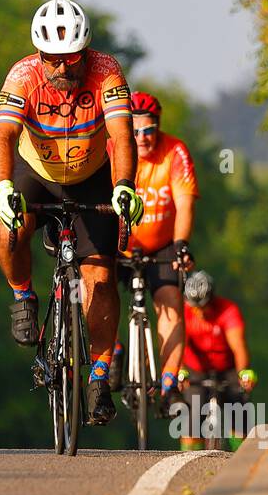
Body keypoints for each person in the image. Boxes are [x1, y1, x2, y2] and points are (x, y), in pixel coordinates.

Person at [0, 0, 143, 425]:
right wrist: (3, 188)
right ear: (39, 55)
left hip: (92, 174)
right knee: (9, 232)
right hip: (36, 171)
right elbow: (3, 137)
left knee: (100, 276)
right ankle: (23, 295)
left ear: (86, 51)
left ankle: (97, 373)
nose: (62, 68)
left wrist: (124, 186)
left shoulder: (106, 72)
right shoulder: (23, 76)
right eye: (52, 59)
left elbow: (122, 135)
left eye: (71, 58)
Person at [107, 91, 198, 402]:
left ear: (158, 127)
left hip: (161, 245)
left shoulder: (175, 151)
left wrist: (181, 245)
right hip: (118, 243)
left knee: (170, 302)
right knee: (96, 288)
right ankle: (113, 349)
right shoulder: (112, 150)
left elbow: (184, 204)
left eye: (149, 130)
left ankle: (170, 382)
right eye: (134, 132)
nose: (143, 138)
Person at [176, 270, 258, 451]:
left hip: (227, 368)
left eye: (203, 306)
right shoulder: (183, 312)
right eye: (193, 306)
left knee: (239, 420)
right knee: (191, 422)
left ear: (212, 299)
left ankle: (241, 462)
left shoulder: (228, 311)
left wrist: (243, 372)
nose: (198, 311)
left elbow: (239, 347)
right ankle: (189, 466)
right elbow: (178, 346)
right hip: (197, 370)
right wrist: (181, 371)